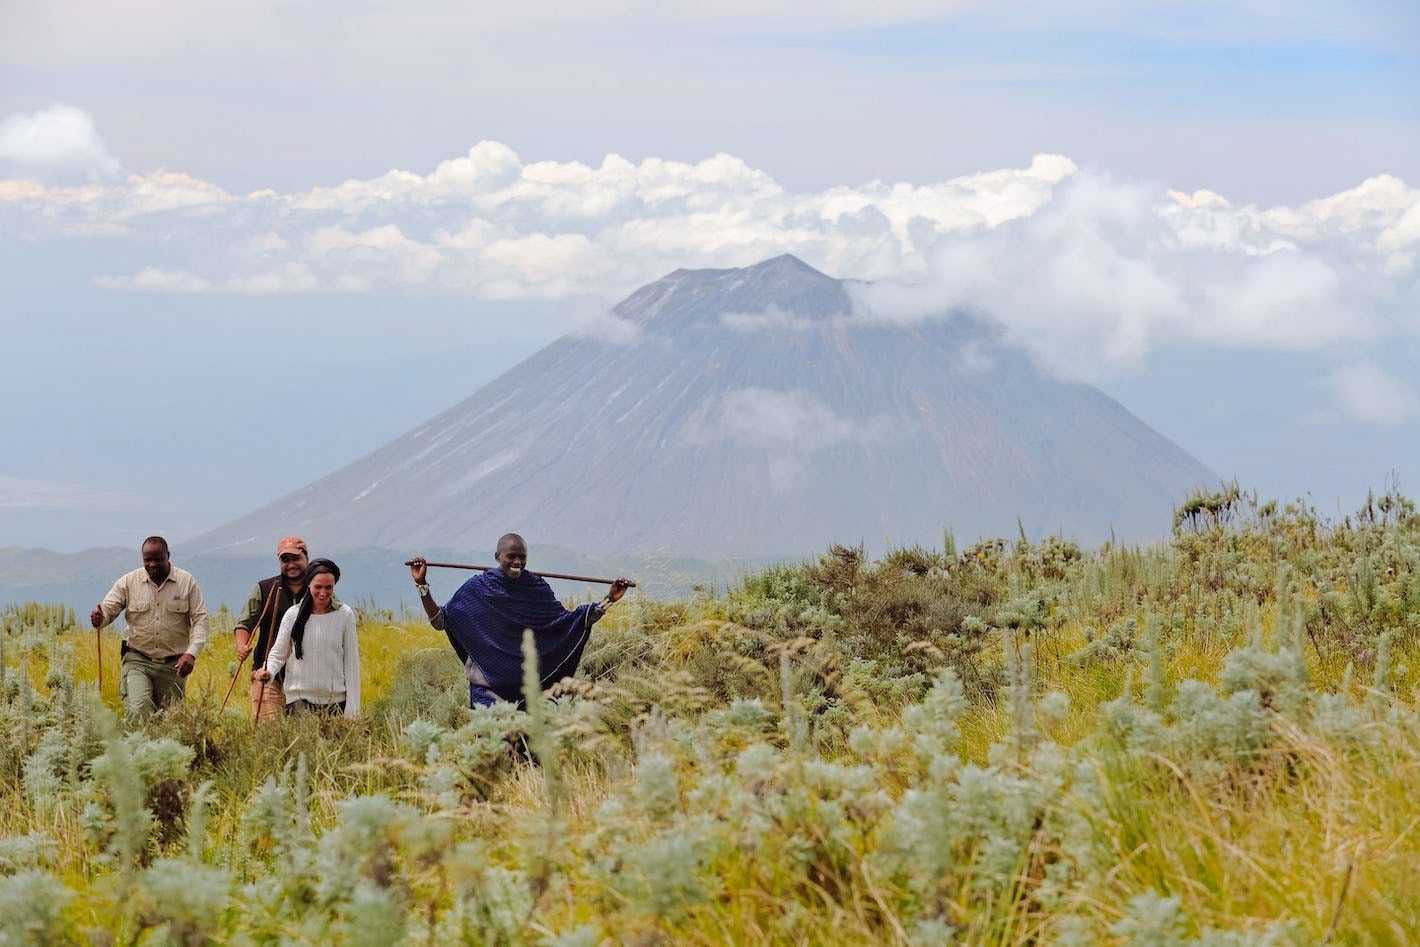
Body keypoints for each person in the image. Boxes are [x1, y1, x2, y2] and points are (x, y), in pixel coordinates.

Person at [407, 534, 631, 708]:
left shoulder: (536, 589)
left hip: (530, 696)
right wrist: (421, 585)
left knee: (530, 751)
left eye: (522, 557)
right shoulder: (477, 589)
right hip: (488, 694)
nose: (517, 562)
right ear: (497, 557)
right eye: (511, 556)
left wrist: (609, 600)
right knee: (493, 749)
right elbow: (440, 621)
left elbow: (568, 623)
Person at [90, 536, 209, 719]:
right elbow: (108, 609)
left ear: (168, 556)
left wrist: (191, 654)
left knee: (171, 721)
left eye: (158, 559)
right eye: (147, 560)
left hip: (173, 666)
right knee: (139, 711)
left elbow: (200, 619)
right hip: (137, 660)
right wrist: (100, 618)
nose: (152, 564)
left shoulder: (187, 582)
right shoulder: (128, 582)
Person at [256, 559, 360, 718]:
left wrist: (352, 711)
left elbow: (351, 664)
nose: (323, 593)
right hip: (298, 703)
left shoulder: (345, 615)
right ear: (309, 584)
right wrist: (268, 672)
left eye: (328, 587)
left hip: (335, 705)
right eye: (318, 587)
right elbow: (278, 654)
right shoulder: (292, 614)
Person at [233, 536, 316, 721]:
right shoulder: (265, 588)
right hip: (266, 674)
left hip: (308, 678)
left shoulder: (318, 589)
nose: (291, 564)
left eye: (296, 558)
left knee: (304, 732)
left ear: (306, 558)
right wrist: (241, 645)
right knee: (268, 731)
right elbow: (244, 623)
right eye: (285, 560)